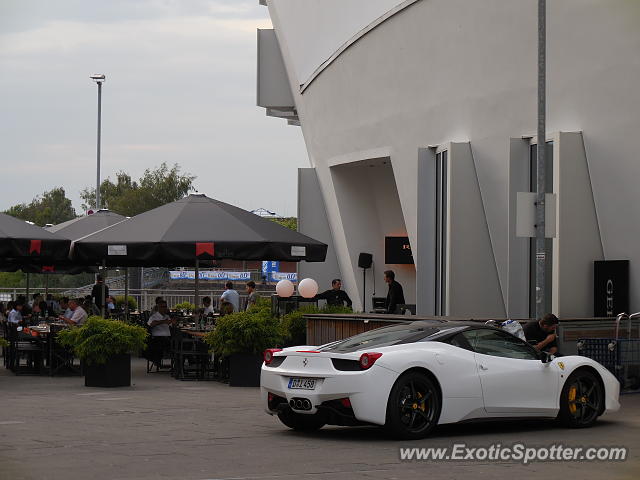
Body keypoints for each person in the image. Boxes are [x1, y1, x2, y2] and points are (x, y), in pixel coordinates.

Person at [146, 300, 175, 367]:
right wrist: (163, 321)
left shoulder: (167, 316)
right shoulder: (154, 316)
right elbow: (151, 324)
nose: (164, 308)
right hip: (158, 338)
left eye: (165, 307)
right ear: (158, 307)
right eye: (162, 307)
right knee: (169, 343)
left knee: (181, 342)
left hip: (168, 337)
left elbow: (171, 325)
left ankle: (180, 363)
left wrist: (174, 323)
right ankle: (157, 360)